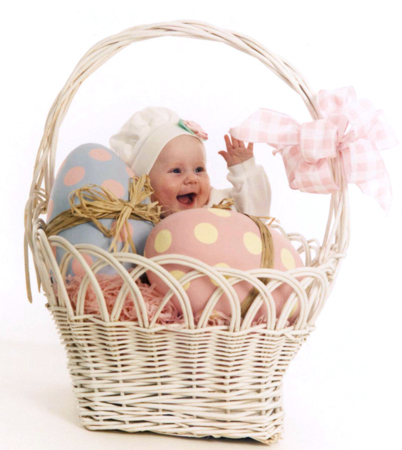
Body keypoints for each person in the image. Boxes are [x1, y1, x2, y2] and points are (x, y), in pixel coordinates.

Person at [110, 107, 271, 218]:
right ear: (145, 183)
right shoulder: (144, 224)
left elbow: (258, 215)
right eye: (176, 171)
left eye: (199, 169)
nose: (192, 179)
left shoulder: (219, 204)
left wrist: (245, 171)